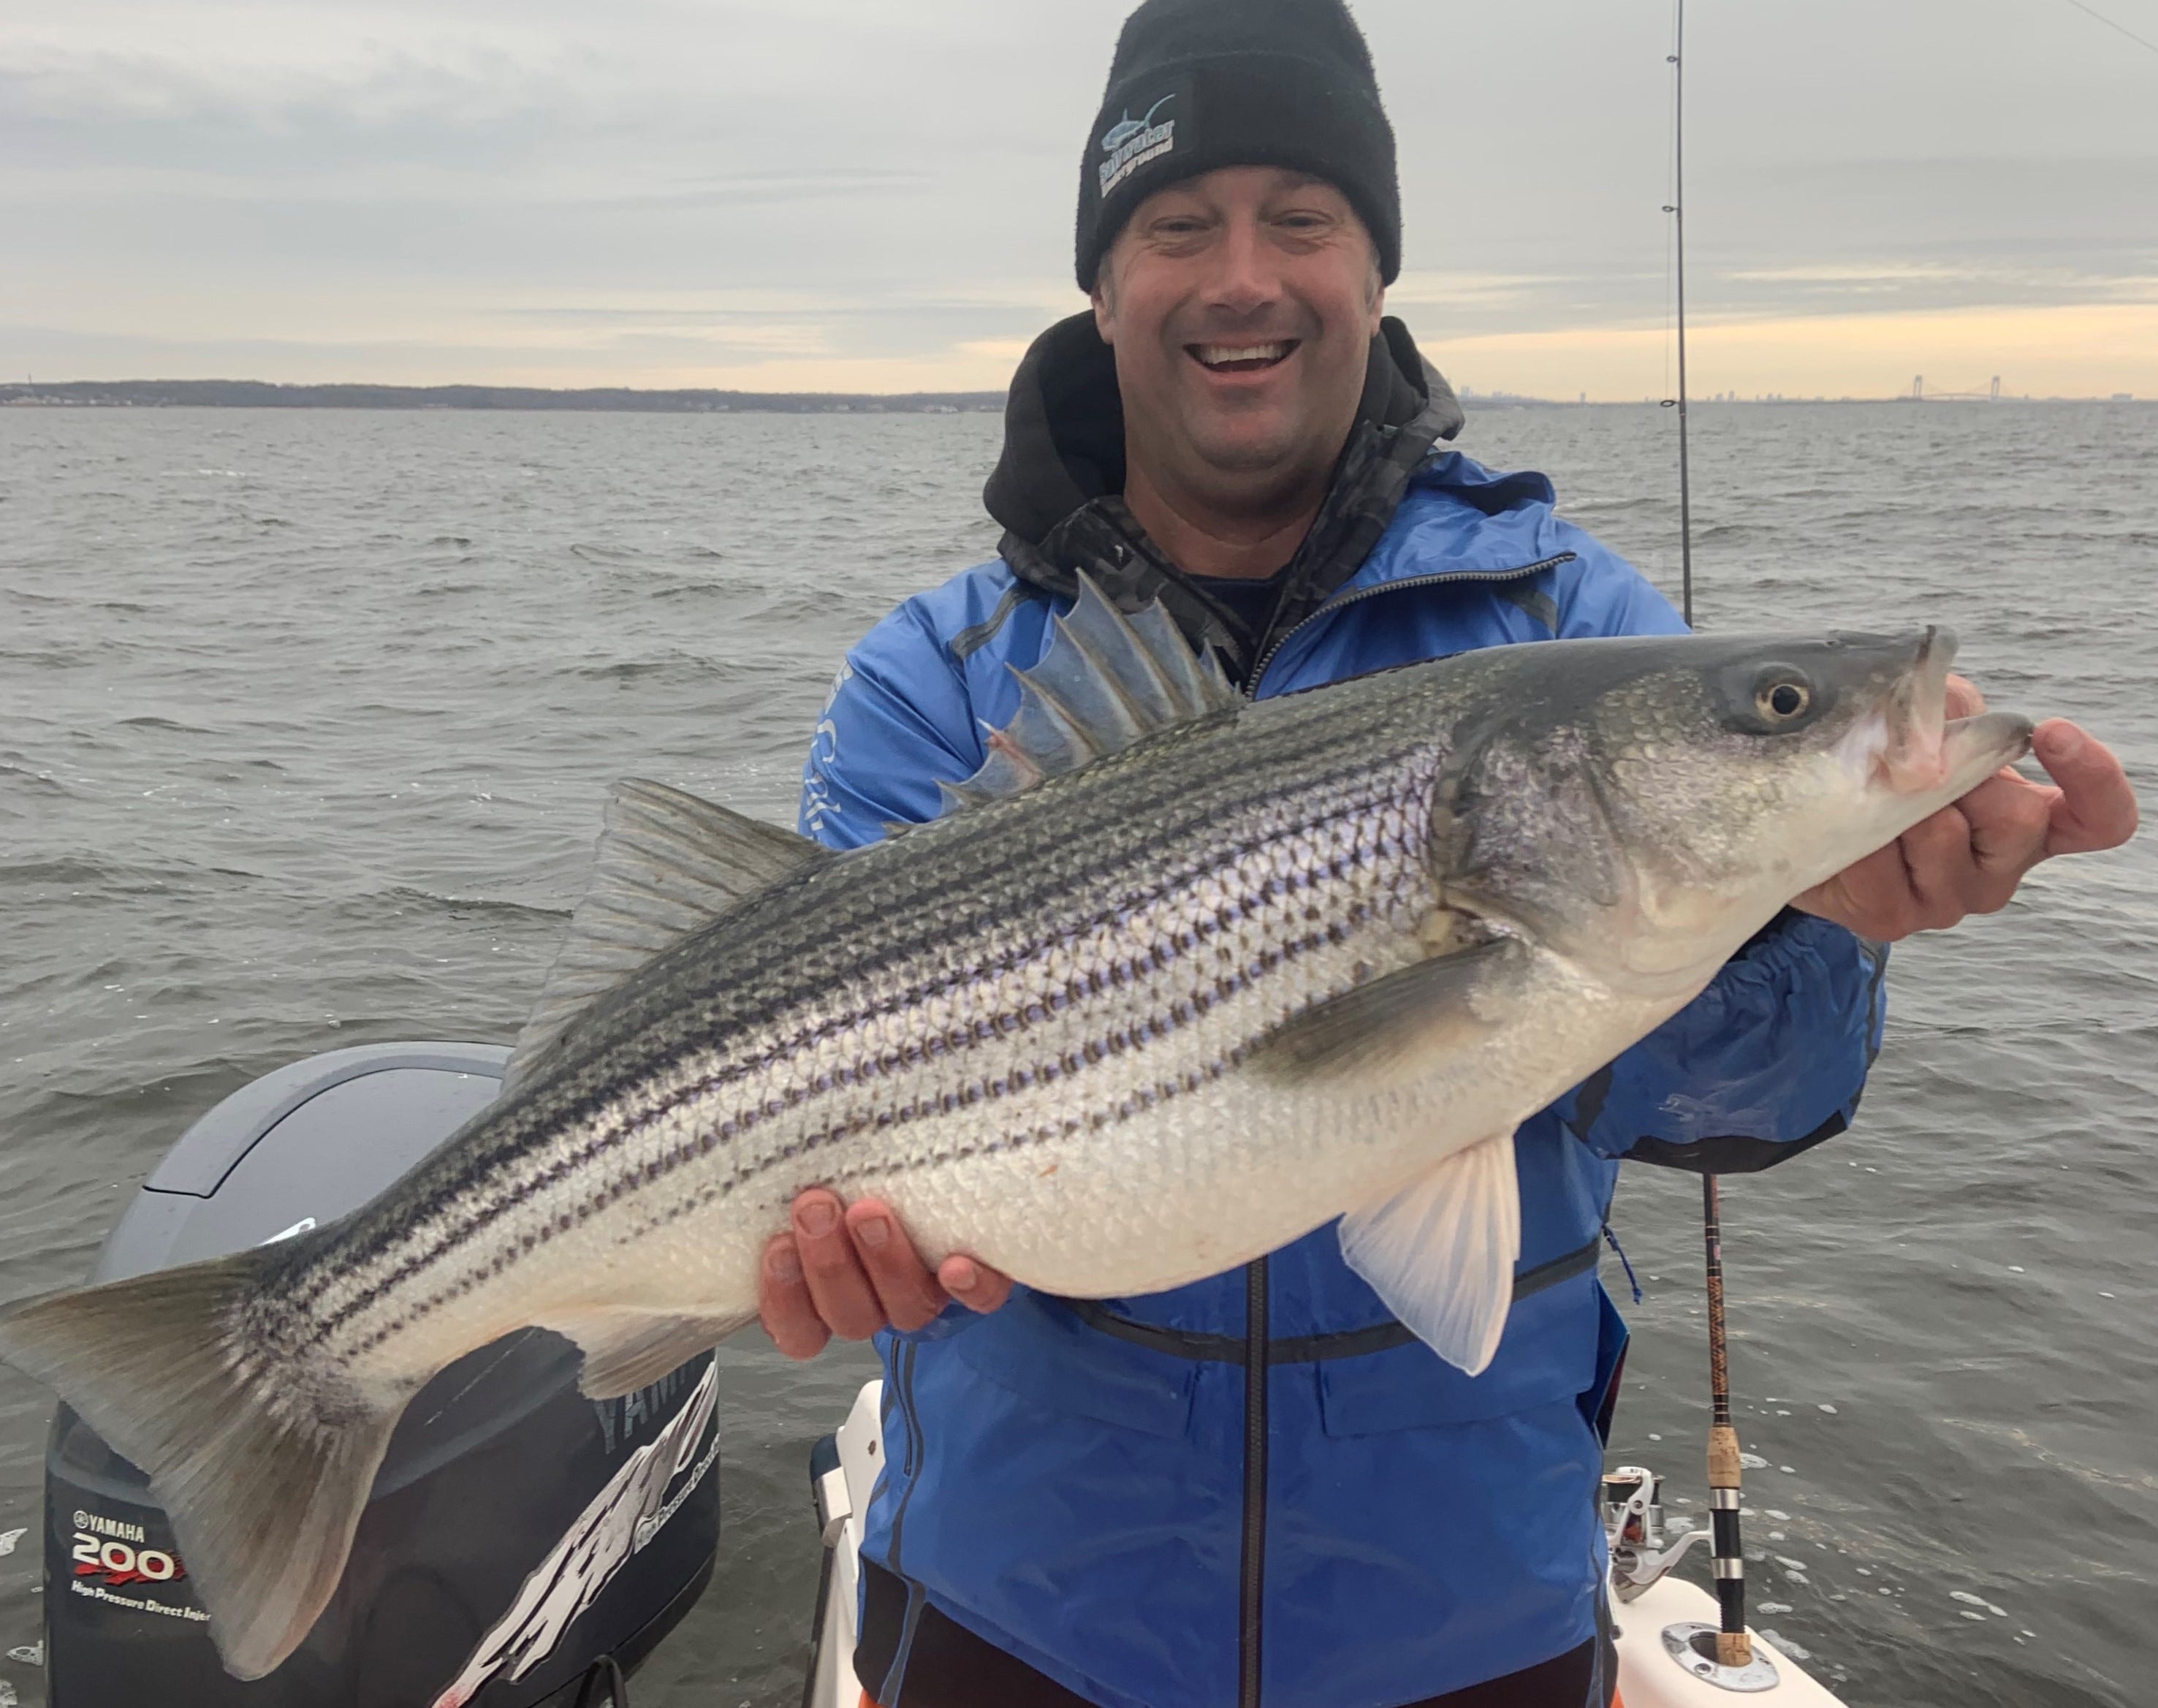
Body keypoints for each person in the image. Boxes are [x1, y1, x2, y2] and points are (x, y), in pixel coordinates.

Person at [761, 3, 2138, 1705]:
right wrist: (821, 1246)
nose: (1242, 277)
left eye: (1305, 220)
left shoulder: (1580, 627)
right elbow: (809, 1121)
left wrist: (1827, 919)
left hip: (1463, 1614)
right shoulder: (946, 673)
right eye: (1177, 226)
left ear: (1377, 268)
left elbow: (1749, 1102)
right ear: (1104, 287)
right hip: (1018, 1609)